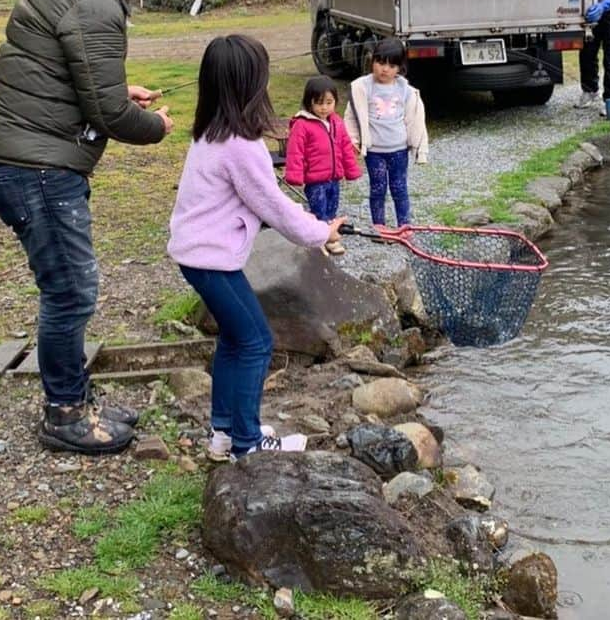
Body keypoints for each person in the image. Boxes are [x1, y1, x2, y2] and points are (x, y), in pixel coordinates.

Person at [0, 0, 181, 456]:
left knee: (68, 288)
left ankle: (77, 397)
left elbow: (79, 78)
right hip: (37, 168)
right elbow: (108, 113)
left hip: (23, 158)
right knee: (70, 292)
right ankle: (65, 414)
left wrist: (121, 90)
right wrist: (151, 124)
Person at [167, 35, 344, 460]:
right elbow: (275, 207)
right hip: (209, 260)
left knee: (236, 337)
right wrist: (322, 231)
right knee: (256, 342)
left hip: (198, 255)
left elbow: (263, 201)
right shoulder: (241, 148)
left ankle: (224, 433)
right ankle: (246, 444)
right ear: (251, 86)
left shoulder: (211, 132)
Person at [344, 38, 428, 228]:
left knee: (400, 189)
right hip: (374, 151)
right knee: (378, 188)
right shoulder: (363, 87)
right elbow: (351, 116)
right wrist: (353, 139)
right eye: (380, 63)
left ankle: (404, 226)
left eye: (391, 65)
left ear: (399, 67)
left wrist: (418, 147)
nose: (385, 69)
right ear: (372, 61)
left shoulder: (405, 89)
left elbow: (415, 119)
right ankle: (379, 227)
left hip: (399, 150)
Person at [284, 76, 362, 256]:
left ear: (335, 101)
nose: (324, 107)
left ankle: (330, 237)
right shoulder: (302, 125)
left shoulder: (336, 122)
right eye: (319, 103)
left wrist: (351, 170)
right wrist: (295, 175)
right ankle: (319, 240)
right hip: (315, 180)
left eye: (329, 102)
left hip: (334, 177)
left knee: (331, 208)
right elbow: (295, 151)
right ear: (309, 102)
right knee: (319, 210)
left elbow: (345, 147)